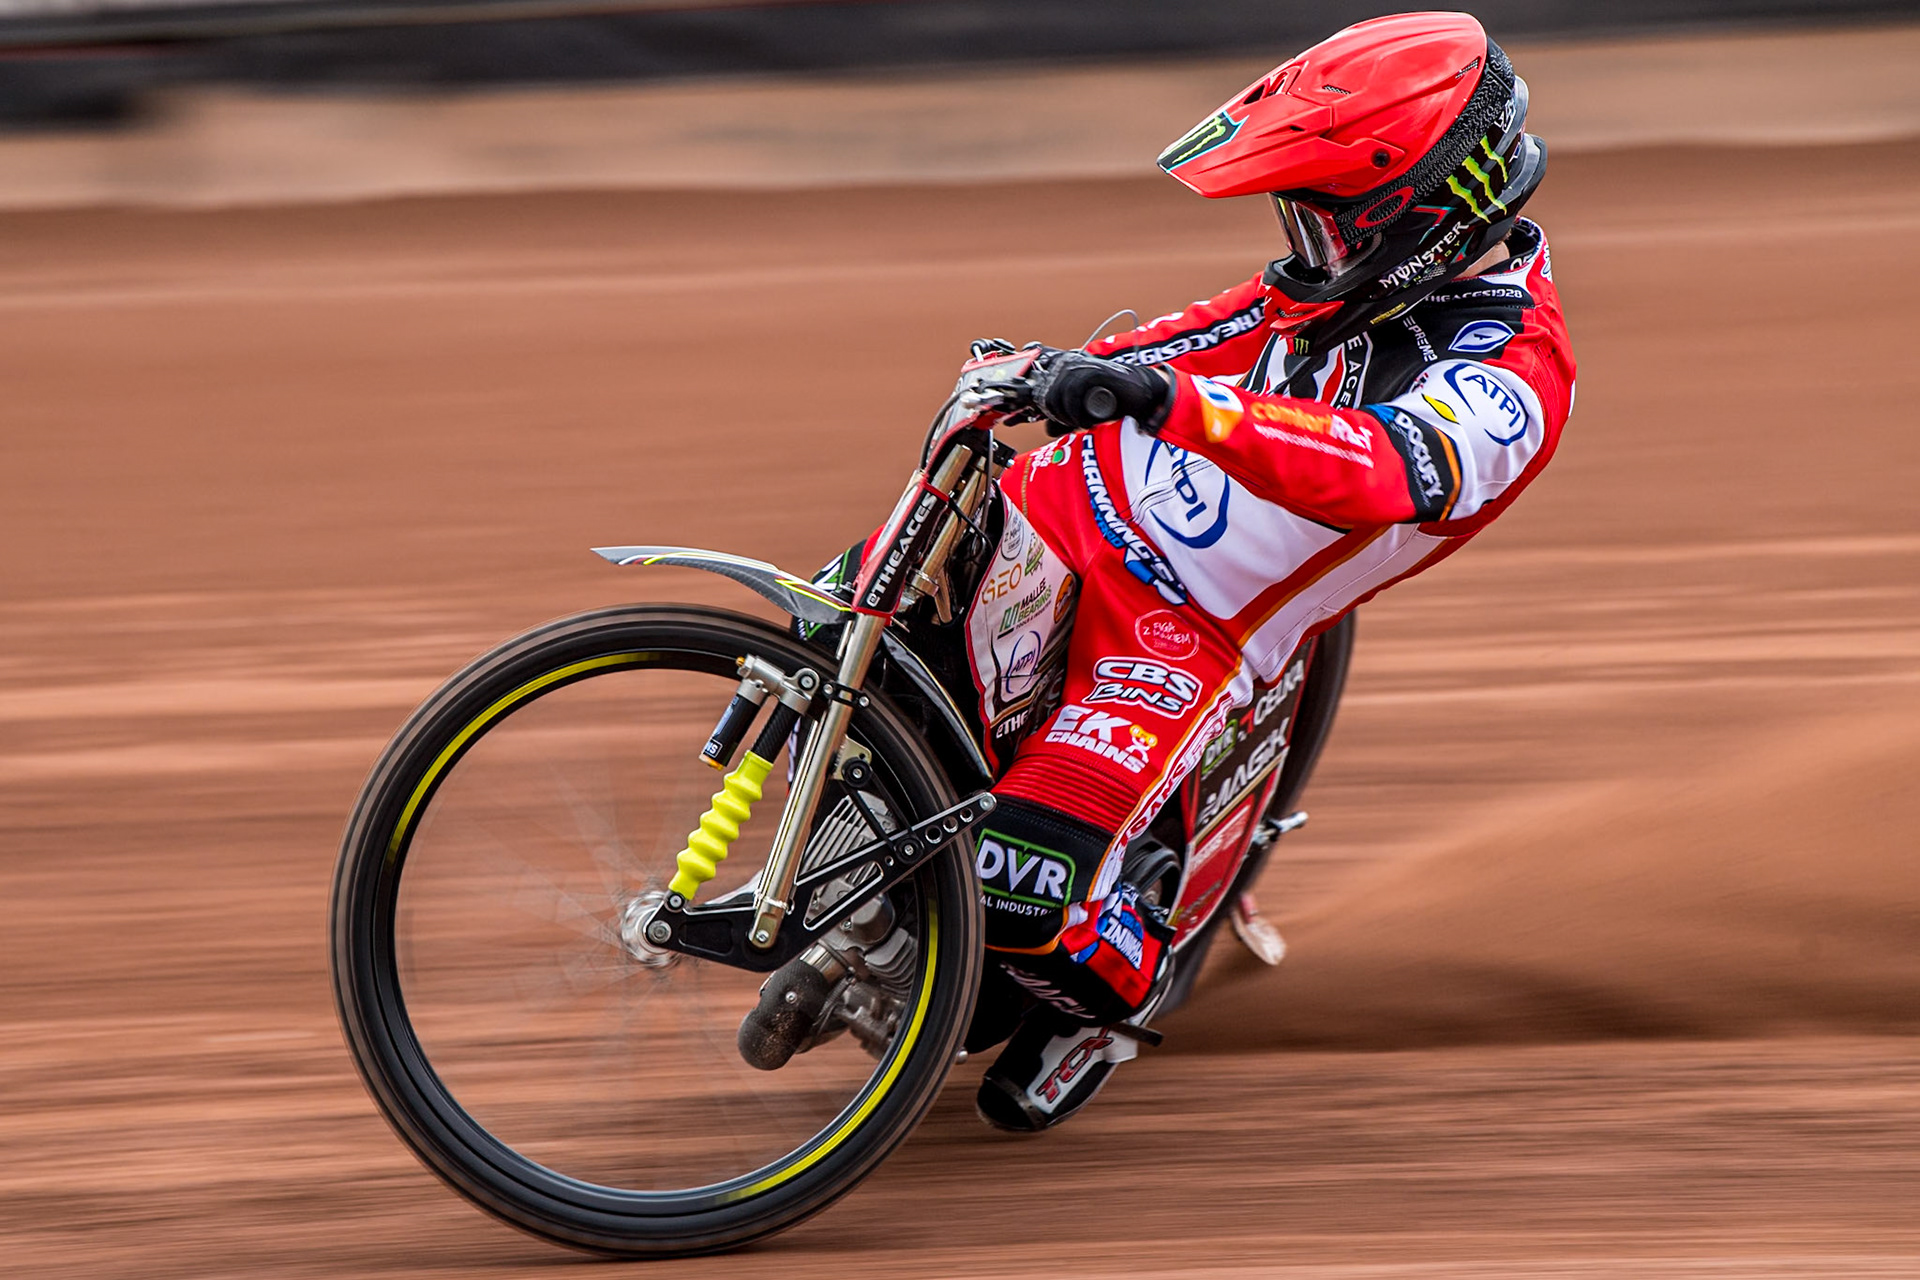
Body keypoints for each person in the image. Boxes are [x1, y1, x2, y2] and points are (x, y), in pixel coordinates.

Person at [817, 11, 1575, 1131]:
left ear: (1425, 215)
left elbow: (1377, 471)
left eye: (1323, 226)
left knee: (1016, 889)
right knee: (828, 640)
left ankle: (1114, 991)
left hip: (1177, 634)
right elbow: (1225, 325)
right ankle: (851, 869)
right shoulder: (1355, 280)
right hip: (1060, 513)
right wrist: (1063, 368)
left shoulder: (1515, 373)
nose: (1299, 252)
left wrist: (1175, 402)